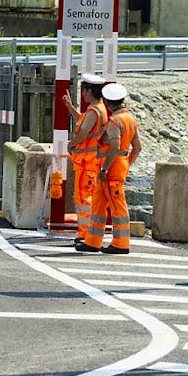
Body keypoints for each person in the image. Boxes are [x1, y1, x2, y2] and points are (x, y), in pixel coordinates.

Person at [76, 83, 142, 254]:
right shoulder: (129, 119)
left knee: (117, 206)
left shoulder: (115, 121)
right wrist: (126, 163)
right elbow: (137, 147)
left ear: (107, 101)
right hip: (117, 166)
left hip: (110, 168)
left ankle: (121, 243)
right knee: (98, 204)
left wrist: (105, 169)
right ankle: (92, 241)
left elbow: (114, 146)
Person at [63, 73, 108, 245]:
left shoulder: (94, 110)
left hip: (87, 162)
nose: (83, 93)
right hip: (88, 162)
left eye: (84, 90)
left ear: (90, 90)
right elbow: (83, 122)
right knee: (84, 199)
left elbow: (83, 132)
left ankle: (87, 234)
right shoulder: (97, 109)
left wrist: (71, 144)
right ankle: (84, 233)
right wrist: (70, 107)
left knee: (84, 200)